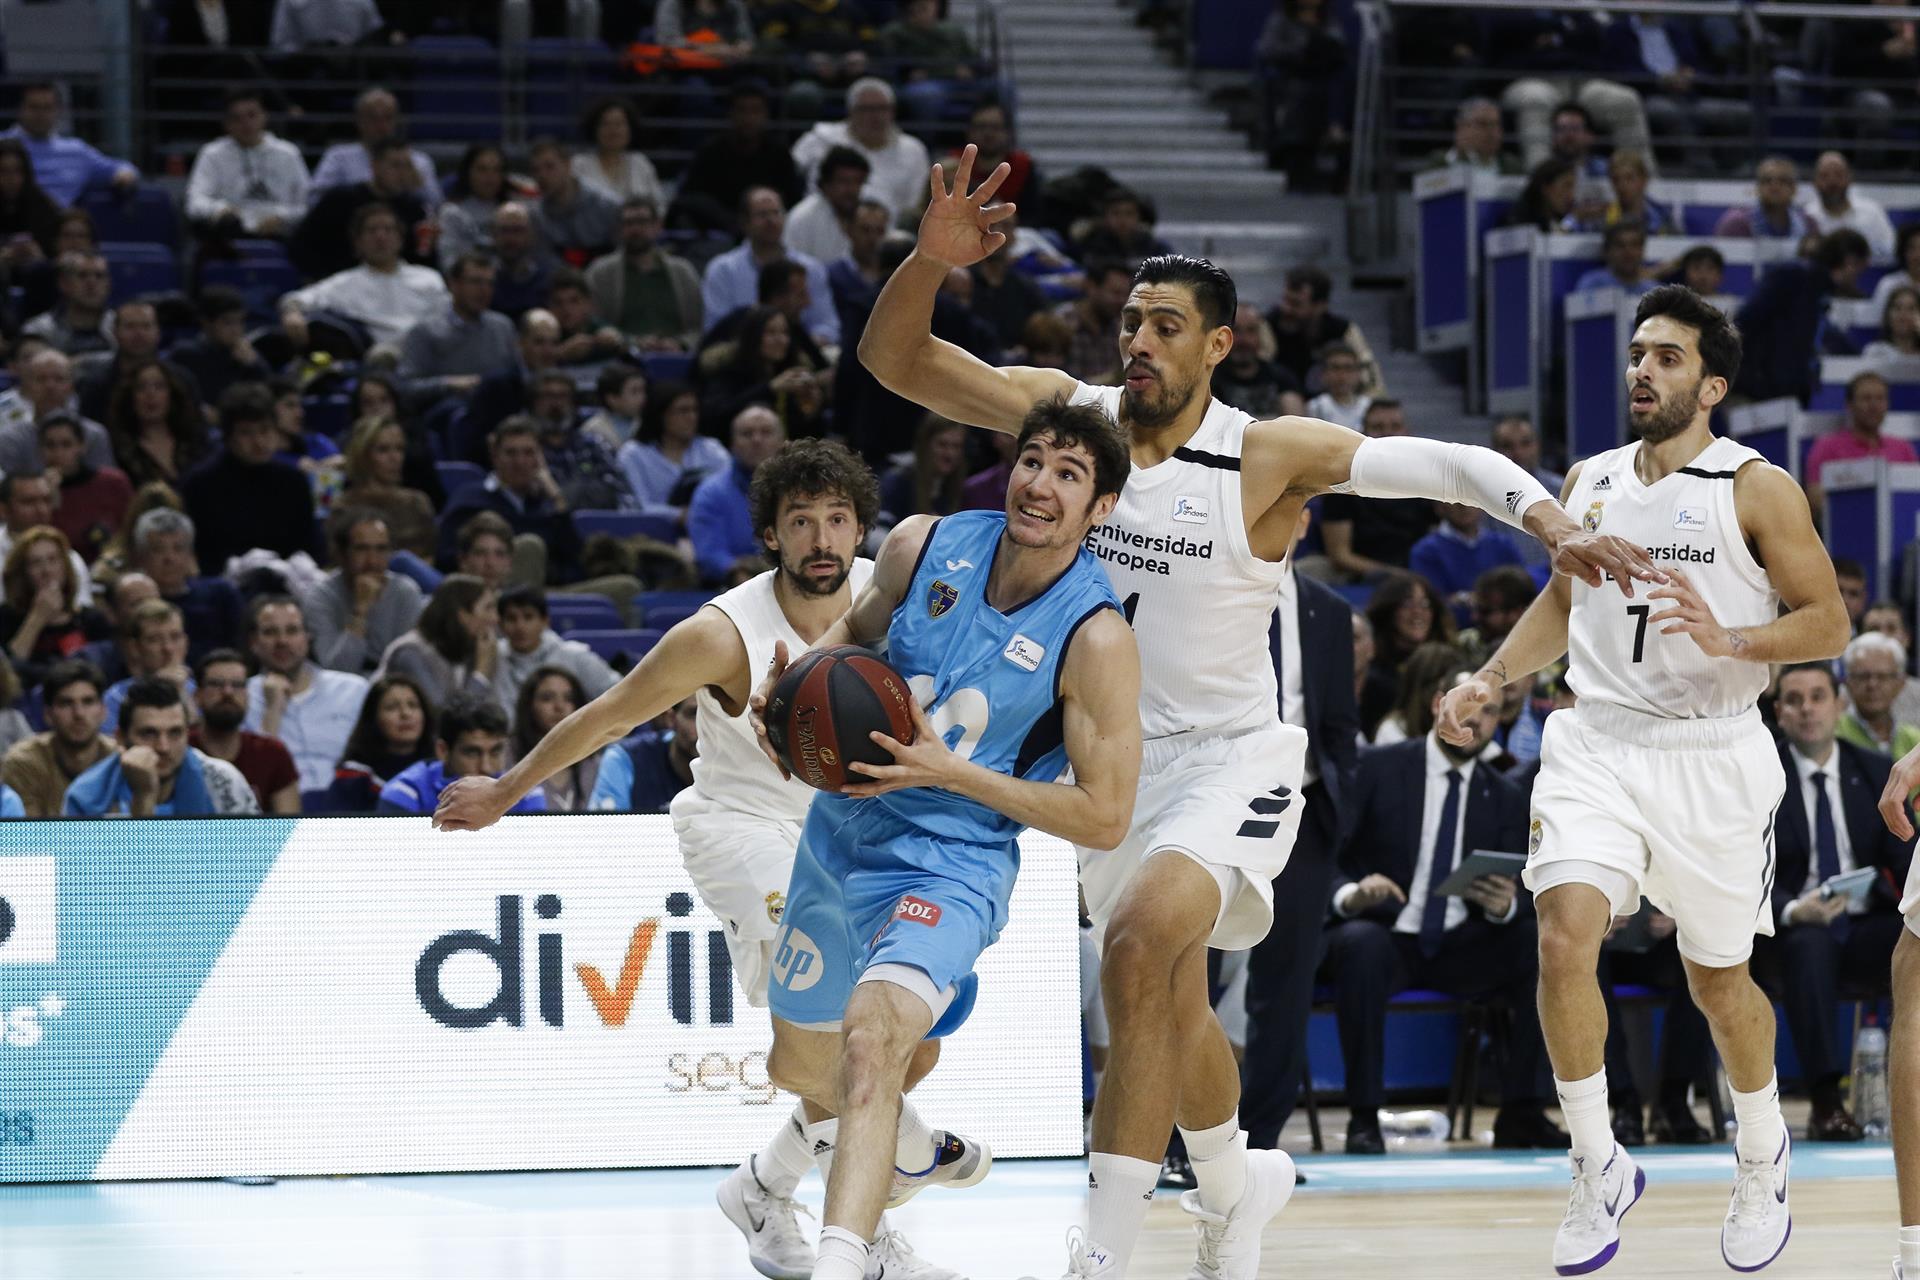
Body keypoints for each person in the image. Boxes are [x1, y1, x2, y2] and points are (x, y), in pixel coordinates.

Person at [861, 147, 1653, 1280]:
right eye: (1132, 319)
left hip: (1232, 758)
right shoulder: (1071, 418)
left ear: (1219, 343)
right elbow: (896, 359)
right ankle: (1235, 1184)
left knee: (1139, 947)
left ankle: (1103, 1252)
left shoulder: (1264, 455)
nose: (1138, 340)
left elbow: (1453, 461)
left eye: (1167, 324)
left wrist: (1549, 521)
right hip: (1113, 767)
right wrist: (929, 264)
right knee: (1169, 998)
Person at [434, 439, 960, 1279]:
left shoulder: (889, 601)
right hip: (742, 830)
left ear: (863, 528)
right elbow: (610, 713)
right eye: (801, 523)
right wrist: (504, 788)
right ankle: (867, 1217)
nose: (822, 539)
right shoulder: (720, 633)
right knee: (821, 1041)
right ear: (771, 537)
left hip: (848, 836)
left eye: (837, 520)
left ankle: (764, 1186)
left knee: (901, 1041)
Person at [1437, 285, 1849, 1275]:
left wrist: (1733, 635)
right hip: (1596, 740)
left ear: (1710, 384)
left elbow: (1827, 619)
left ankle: (1760, 1150)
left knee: (1717, 978)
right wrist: (1491, 676)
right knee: (1563, 926)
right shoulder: (1587, 479)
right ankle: (1597, 1159)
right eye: (1636, 354)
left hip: (1712, 753)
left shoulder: (1755, 485)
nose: (1641, 370)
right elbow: (1561, 596)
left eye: (1666, 357)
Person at [1324, 665, 1560, 1153]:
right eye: (1470, 703)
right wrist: (1352, 893)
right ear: (1439, 704)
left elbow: (1513, 885)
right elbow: (1326, 854)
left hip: (1461, 942)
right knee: (1360, 947)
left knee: (1537, 942)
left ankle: (1522, 1110)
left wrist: (1502, 907)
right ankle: (1364, 1118)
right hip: (1387, 933)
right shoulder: (1379, 768)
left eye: (1492, 711)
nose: (1479, 719)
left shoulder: (1505, 795)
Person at [1238, 507, 1360, 1150]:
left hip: (1304, 810)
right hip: (1218, 806)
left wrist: (1343, 808)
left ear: (1307, 522)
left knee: (1285, 990)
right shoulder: (1216, 587)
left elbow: (1340, 722)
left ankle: (1258, 1142)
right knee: (1187, 977)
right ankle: (1179, 1140)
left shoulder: (1329, 611)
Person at [1758, 663, 1913, 1142]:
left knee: (1914, 935)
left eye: (1818, 697)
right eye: (1795, 699)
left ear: (1839, 704)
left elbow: (1906, 855)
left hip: (1865, 922)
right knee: (1810, 943)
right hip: (1787, 928)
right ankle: (1826, 1100)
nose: (1808, 709)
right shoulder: (1761, 776)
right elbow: (1742, 862)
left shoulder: (1871, 771)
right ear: (1779, 713)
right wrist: (1790, 907)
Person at [64, 677, 257, 816]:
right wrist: (144, 795)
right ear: (121, 738)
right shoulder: (85, 798)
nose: (163, 747)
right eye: (149, 734)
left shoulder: (224, 782)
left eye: (175, 733)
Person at [242, 595, 371, 792]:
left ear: (307, 637)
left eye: (292, 630)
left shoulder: (353, 690)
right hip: (277, 815)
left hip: (348, 810)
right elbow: (254, 778)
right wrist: (272, 710)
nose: (282, 641)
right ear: (253, 642)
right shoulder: (241, 696)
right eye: (270, 632)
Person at [180, 383, 317, 571]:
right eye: (246, 433)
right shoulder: (199, 485)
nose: (259, 442)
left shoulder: (293, 481)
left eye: (265, 430)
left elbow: (309, 547)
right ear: (228, 437)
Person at [280, 201, 450, 349]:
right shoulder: (343, 283)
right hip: (377, 359)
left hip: (429, 354)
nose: (381, 237)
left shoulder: (429, 278)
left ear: (400, 239)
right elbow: (298, 299)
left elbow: (447, 319)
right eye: (372, 230)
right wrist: (292, 313)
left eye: (388, 230)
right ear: (358, 242)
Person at [1733, 229, 1872, 404]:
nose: (1858, 279)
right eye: (1860, 271)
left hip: (1784, 390)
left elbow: (1824, 333)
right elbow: (1746, 319)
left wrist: (1861, 357)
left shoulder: (1819, 290)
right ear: (1850, 261)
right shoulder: (1795, 277)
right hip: (1758, 389)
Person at [701, 187, 840, 348]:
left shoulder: (811, 268)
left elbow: (827, 325)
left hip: (800, 355)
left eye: (776, 213)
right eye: (762, 214)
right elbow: (715, 330)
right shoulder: (722, 269)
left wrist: (800, 348)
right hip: (742, 358)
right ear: (744, 222)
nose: (771, 221)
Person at [673, 81, 805, 237]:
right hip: (721, 232)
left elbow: (793, 200)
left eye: (755, 111)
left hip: (770, 232)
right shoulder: (711, 151)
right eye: (742, 110)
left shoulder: (779, 154)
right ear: (730, 114)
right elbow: (691, 197)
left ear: (766, 115)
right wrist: (729, 222)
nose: (748, 118)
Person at [377, 693, 543, 815]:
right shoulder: (405, 791)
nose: (485, 766)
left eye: (495, 751)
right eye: (472, 752)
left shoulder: (526, 792)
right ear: (442, 750)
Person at [301, 512, 425, 674]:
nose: (372, 561)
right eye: (361, 549)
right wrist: (360, 611)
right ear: (342, 554)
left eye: (381, 549)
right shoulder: (320, 597)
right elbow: (336, 670)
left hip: (391, 688)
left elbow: (409, 666)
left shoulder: (406, 592)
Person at [791, 78, 932, 218]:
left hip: (891, 233)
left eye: (882, 108)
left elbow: (916, 205)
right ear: (851, 111)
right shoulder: (821, 138)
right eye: (866, 109)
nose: (876, 116)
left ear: (893, 111)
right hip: (823, 224)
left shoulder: (914, 151)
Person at [292, 138, 429, 282]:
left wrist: (427, 248)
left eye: (407, 166)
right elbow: (302, 245)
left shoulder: (414, 208)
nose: (402, 173)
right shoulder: (340, 199)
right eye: (395, 165)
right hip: (339, 284)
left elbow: (418, 260)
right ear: (375, 166)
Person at [185, 88, 309, 238]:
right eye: (237, 118)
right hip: (229, 232)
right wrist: (220, 210)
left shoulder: (288, 153)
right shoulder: (212, 153)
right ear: (226, 124)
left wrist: (282, 217)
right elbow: (194, 202)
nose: (246, 123)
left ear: (264, 116)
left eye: (252, 115)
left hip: (278, 233)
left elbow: (307, 205)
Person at [584, 196, 703, 351]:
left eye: (642, 222)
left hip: (677, 358)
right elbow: (592, 324)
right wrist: (630, 342)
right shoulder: (600, 274)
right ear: (619, 229)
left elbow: (699, 327)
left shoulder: (683, 272)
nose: (636, 229)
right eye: (629, 223)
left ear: (658, 226)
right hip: (621, 360)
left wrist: (681, 344)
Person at [396, 252, 519, 401]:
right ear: (453, 284)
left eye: (489, 283)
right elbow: (406, 387)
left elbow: (517, 377)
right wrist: (448, 384)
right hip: (446, 412)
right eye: (475, 282)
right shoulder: (425, 331)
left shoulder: (503, 327)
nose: (484, 290)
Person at [191, 648, 300, 814]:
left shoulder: (272, 752)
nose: (228, 692)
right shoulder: (180, 750)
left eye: (237, 685)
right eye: (216, 684)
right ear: (197, 695)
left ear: (248, 696)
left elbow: (290, 826)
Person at [1, 659, 113, 816]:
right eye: (66, 703)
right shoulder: (22, 763)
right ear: (48, 714)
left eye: (88, 702)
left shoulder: (119, 760)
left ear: (103, 711)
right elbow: (28, 836)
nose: (79, 714)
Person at [0, 525, 108, 688]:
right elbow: (7, 674)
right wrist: (37, 618)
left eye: (53, 560)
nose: (47, 570)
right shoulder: (6, 618)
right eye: (36, 563)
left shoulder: (91, 620)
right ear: (23, 572)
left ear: (65, 566)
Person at [690, 405, 788, 584]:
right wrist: (736, 571)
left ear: (782, 442)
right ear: (733, 444)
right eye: (747, 434)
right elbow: (710, 554)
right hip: (731, 587)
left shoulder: (802, 491)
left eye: (766, 432)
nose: (756, 440)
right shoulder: (711, 492)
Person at [1, 82, 138, 207]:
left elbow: (123, 169)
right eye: (34, 107)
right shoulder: (3, 143)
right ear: (20, 109)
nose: (40, 114)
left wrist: (125, 176)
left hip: (56, 228)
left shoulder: (77, 151)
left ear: (58, 111)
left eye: (47, 108)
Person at [1805, 372, 1917, 519]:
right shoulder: (1826, 446)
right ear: (1849, 404)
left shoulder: (1903, 448)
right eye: (1866, 398)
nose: (1874, 405)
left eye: (1880, 398)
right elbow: (1815, 500)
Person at [376, 574, 498, 707]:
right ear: (462, 615)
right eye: (488, 608)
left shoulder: (466, 648)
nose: (495, 618)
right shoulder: (411, 653)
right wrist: (481, 674)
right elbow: (443, 718)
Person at [616, 381, 729, 522]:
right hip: (650, 536)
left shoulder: (711, 449)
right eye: (683, 411)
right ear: (660, 415)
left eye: (695, 410)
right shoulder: (633, 454)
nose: (692, 417)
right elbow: (636, 507)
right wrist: (679, 515)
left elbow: (731, 496)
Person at [493, 584, 618, 712]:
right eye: (511, 618)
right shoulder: (493, 659)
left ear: (545, 621)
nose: (520, 626)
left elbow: (619, 694)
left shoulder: (574, 655)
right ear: (500, 625)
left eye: (528, 617)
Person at [308, 87, 438, 208]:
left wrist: (417, 186)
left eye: (388, 118)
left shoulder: (419, 161)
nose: (381, 125)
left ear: (397, 121)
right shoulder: (338, 157)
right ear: (359, 121)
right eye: (373, 118)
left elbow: (435, 206)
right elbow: (314, 200)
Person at [325, 673, 434, 812]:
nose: (406, 713)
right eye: (392, 707)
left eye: (413, 705)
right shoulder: (353, 778)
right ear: (373, 719)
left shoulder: (439, 771)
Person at [335, 417, 437, 562]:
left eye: (399, 449)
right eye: (383, 450)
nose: (395, 458)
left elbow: (429, 559)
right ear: (363, 455)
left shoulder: (417, 502)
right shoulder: (344, 507)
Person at [587, 695, 698, 813]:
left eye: (717, 714)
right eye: (694, 714)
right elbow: (606, 828)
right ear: (671, 718)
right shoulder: (626, 758)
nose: (707, 726)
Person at [169, 287, 272, 413]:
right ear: (206, 323)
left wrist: (254, 364)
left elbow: (269, 395)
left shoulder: (247, 356)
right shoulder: (184, 354)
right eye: (228, 322)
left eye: (240, 322)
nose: (236, 330)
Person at [509, 665, 598, 810]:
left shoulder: (592, 760)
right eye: (547, 698)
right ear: (529, 705)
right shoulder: (506, 755)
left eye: (568, 699)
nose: (559, 706)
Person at [527, 137, 621, 264]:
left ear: (567, 165)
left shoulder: (607, 205)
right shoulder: (536, 215)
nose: (542, 176)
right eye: (535, 170)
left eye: (549, 167)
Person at [1799, 151, 1896, 262]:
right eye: (1825, 176)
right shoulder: (1807, 216)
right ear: (1815, 182)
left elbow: (1890, 250)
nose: (1832, 181)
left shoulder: (1872, 211)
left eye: (1838, 175)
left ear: (1849, 178)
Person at [570, 98, 664, 208]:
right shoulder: (579, 165)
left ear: (630, 129)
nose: (613, 130)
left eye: (619, 124)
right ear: (594, 129)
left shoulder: (640, 163)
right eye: (605, 124)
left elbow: (659, 206)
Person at [1839, 632, 1920, 759]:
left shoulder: (1915, 741)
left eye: (1882, 676)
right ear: (1848, 683)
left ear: (1900, 683)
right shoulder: (1832, 735)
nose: (1872, 685)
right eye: (1863, 676)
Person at [786, 146, 870, 265]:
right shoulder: (802, 218)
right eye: (844, 181)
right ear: (826, 183)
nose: (851, 189)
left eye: (857, 181)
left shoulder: (867, 214)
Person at [23, 251, 114, 355]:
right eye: (82, 275)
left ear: (108, 284)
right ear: (64, 284)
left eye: (99, 276)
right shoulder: (38, 330)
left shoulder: (121, 327)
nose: (91, 283)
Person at [1715, 157, 1811, 241]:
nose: (1775, 186)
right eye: (1767, 180)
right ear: (1758, 187)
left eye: (1783, 180)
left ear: (1794, 188)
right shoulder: (1736, 223)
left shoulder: (1808, 224)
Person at [1424, 97, 1521, 174]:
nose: (1491, 132)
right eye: (1483, 124)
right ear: (1461, 127)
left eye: (1496, 124)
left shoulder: (1513, 168)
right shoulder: (1438, 165)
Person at [1573, 222, 1653, 297]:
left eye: (1635, 245)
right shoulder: (1591, 284)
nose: (1628, 252)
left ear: (1642, 250)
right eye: (1620, 245)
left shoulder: (1653, 291)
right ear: (1607, 251)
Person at [1302, 342, 1370, 431]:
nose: (1342, 375)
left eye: (1348, 368)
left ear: (1358, 373)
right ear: (1324, 373)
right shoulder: (1315, 408)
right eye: (1335, 368)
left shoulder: (1368, 407)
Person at [1865, 287, 1920, 368]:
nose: (1903, 315)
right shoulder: (1876, 351)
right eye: (1898, 308)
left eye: (1911, 309)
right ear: (1888, 315)